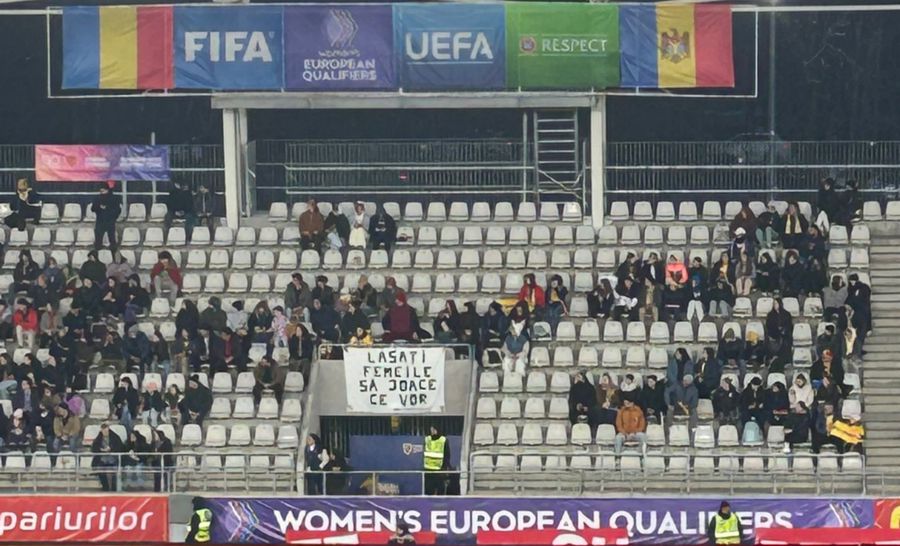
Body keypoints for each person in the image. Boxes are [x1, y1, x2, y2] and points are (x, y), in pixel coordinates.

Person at [91, 422, 125, 492]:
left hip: (113, 457)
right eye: (103, 431)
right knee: (100, 469)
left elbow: (119, 447)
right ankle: (105, 487)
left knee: (115, 470)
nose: (105, 432)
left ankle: (114, 487)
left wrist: (111, 449)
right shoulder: (98, 438)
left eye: (106, 430)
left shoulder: (115, 437)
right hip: (102, 458)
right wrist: (101, 450)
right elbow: (94, 448)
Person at [91, 181, 121, 253]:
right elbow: (93, 208)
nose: (102, 193)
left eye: (103, 191)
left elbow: (117, 210)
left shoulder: (114, 198)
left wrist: (109, 211)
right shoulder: (98, 198)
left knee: (112, 239)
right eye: (101, 191)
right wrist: (99, 207)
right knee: (98, 240)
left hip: (110, 221)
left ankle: (113, 255)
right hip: (100, 221)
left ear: (107, 190)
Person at [423, 425, 451, 495]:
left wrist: (445, 469)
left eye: (433, 429)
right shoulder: (427, 439)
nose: (431, 431)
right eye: (431, 429)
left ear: (436, 430)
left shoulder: (443, 440)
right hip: (428, 471)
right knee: (428, 493)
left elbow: (447, 456)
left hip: (439, 471)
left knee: (440, 493)